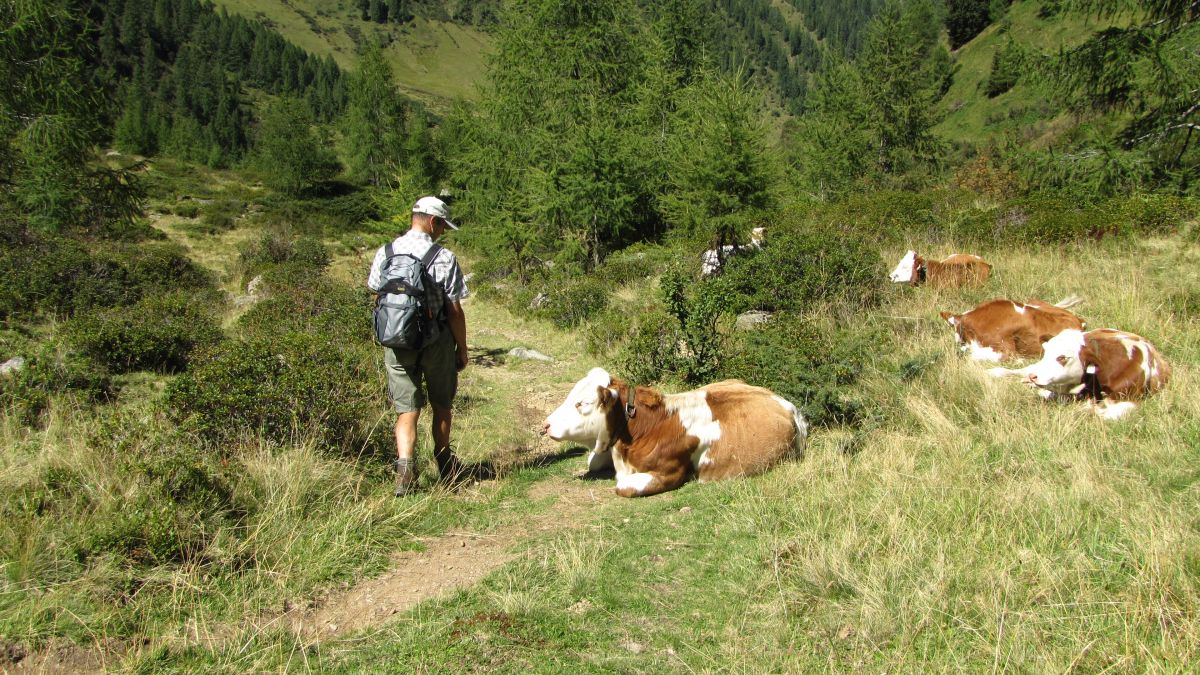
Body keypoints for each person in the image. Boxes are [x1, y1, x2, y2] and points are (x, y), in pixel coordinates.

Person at [367, 195, 470, 496]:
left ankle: (405, 472)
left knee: (406, 411)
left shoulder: (385, 252)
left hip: (397, 343)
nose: (442, 232)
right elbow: (454, 310)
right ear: (433, 221)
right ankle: (445, 465)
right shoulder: (443, 257)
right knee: (441, 405)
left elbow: (377, 295)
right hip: (436, 342)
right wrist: (461, 349)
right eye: (442, 226)